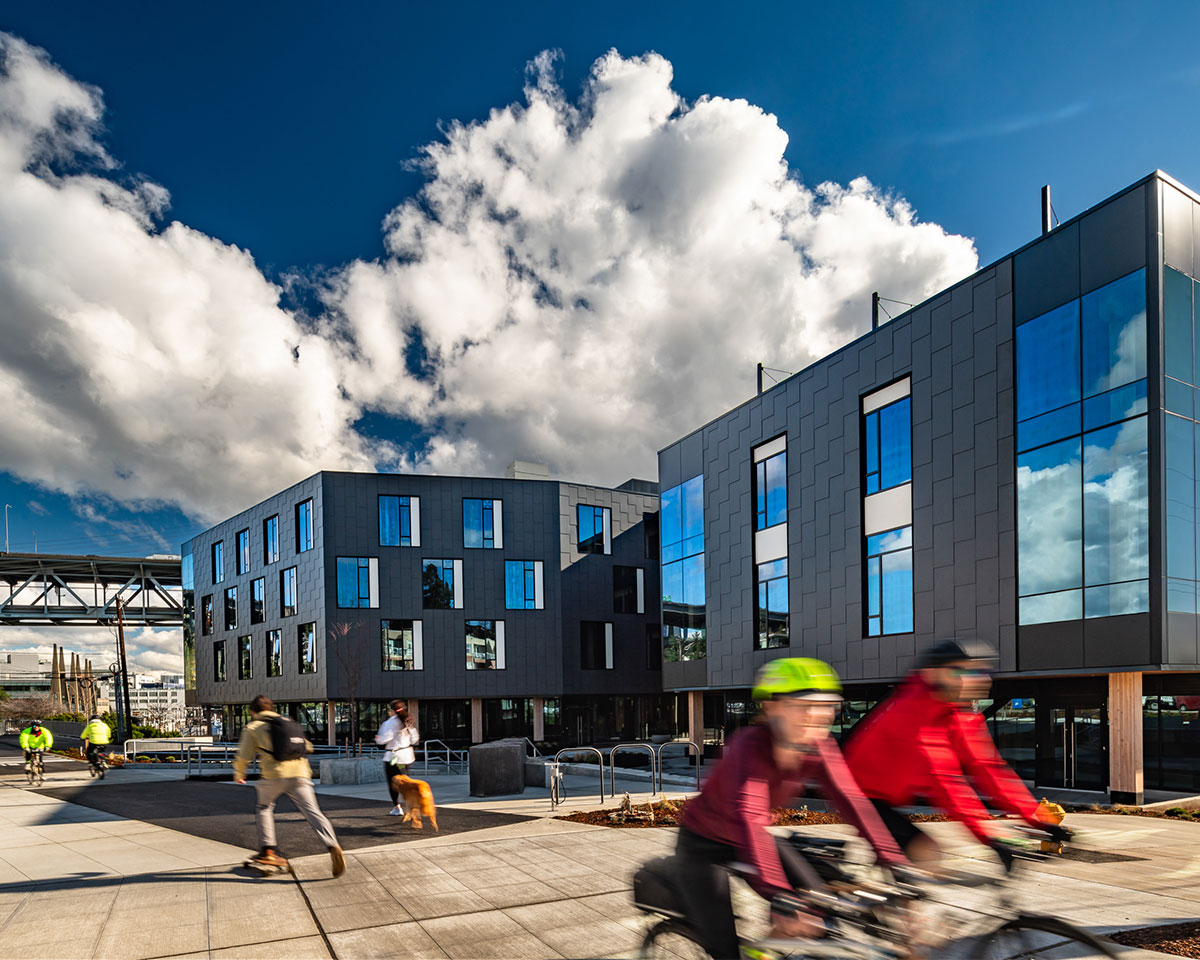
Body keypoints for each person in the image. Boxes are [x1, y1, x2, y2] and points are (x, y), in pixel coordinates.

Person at [675, 658, 909, 960]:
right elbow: (749, 818)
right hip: (703, 845)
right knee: (725, 949)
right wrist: (780, 895)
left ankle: (761, 953)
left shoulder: (820, 747)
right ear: (772, 707)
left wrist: (893, 859)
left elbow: (852, 801)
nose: (815, 715)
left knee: (819, 913)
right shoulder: (748, 747)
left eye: (827, 705)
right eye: (803, 704)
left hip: (753, 838)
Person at [844, 638, 1070, 868]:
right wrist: (989, 837)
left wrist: (1040, 820)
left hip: (890, 796)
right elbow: (947, 785)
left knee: (910, 866)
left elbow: (989, 770)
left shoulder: (958, 713)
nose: (981, 679)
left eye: (982, 671)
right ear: (934, 675)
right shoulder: (912, 716)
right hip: (860, 796)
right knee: (927, 854)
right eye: (965, 672)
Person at [233, 695, 346, 877]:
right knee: (313, 811)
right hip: (300, 773)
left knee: (264, 806)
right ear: (272, 708)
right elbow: (308, 747)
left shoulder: (253, 727)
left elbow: (244, 756)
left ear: (253, 712)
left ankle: (268, 850)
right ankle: (333, 844)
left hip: (274, 775)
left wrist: (239, 774)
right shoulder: (287, 722)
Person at [374, 700, 420, 816]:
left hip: (393, 757)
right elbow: (415, 739)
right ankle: (412, 804)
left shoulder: (389, 723)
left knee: (393, 783)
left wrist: (378, 738)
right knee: (405, 781)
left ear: (392, 711)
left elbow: (384, 739)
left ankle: (397, 807)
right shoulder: (408, 720)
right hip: (407, 756)